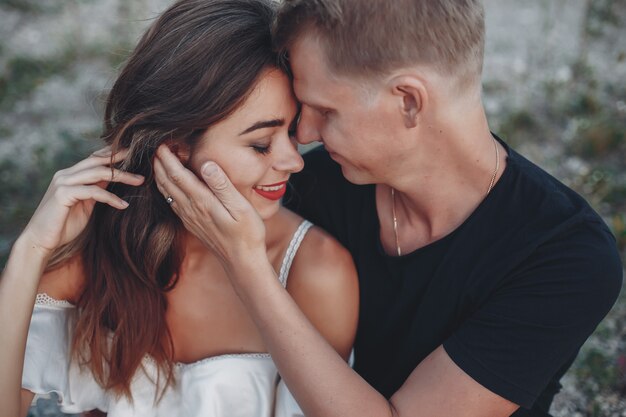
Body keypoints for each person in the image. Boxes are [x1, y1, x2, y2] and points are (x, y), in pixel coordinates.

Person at [153, 0, 624, 416]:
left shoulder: (566, 256)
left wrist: (247, 266)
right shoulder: (312, 183)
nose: (304, 136)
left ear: (409, 102)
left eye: (324, 111)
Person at [0, 0, 359, 416]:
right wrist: (30, 252)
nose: (295, 161)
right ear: (175, 147)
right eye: (260, 144)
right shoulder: (98, 242)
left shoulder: (315, 272)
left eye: (291, 133)